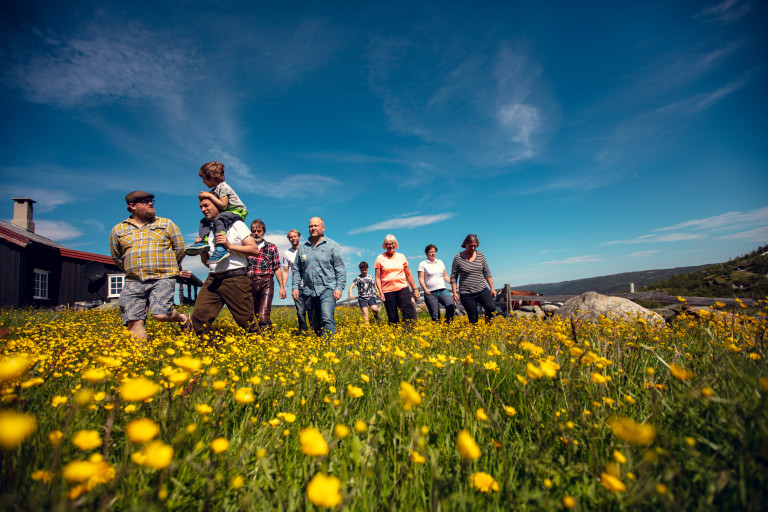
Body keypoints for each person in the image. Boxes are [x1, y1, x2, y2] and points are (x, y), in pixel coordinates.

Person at [109, 191, 190, 339]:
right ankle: (141, 358)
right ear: (132, 206)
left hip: (163, 277)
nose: (150, 203)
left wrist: (171, 267)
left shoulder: (166, 224)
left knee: (160, 314)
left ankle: (183, 318)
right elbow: (117, 256)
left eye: (151, 201)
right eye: (145, 202)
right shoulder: (118, 230)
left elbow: (179, 249)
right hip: (133, 280)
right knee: (133, 321)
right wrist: (131, 270)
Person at [190, 197, 260, 342]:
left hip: (235, 279)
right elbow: (207, 263)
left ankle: (261, 353)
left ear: (218, 204)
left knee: (246, 322)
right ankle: (210, 353)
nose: (203, 209)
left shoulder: (236, 224)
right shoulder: (207, 230)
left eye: (206, 205)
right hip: (213, 278)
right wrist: (202, 249)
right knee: (199, 317)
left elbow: (254, 250)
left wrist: (229, 245)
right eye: (201, 207)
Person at [291, 217, 346, 338]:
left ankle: (329, 348)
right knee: (314, 323)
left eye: (316, 226)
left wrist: (339, 288)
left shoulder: (332, 246)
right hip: (309, 290)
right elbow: (297, 269)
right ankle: (320, 344)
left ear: (323, 228)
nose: (313, 228)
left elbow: (340, 269)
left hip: (327, 288)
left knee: (327, 317)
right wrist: (295, 287)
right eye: (311, 226)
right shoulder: (303, 247)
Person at [185, 161, 248, 264]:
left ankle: (221, 247)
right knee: (204, 221)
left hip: (238, 211)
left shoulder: (223, 187)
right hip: (228, 212)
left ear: (211, 177)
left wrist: (209, 196)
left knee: (219, 218)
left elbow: (223, 205)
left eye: (204, 179)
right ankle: (203, 242)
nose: (203, 182)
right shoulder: (216, 189)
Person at [246, 219, 286, 332]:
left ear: (264, 232)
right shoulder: (246, 247)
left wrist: (282, 287)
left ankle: (267, 339)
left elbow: (277, 268)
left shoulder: (271, 247)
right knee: (255, 313)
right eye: (254, 231)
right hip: (250, 282)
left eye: (259, 231)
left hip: (266, 281)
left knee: (263, 314)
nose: (256, 233)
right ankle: (265, 336)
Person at [451, 234, 497, 324]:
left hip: (482, 289)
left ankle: (488, 328)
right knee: (473, 319)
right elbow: (453, 276)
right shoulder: (458, 257)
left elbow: (487, 272)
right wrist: (454, 293)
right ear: (465, 244)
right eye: (470, 246)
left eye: (475, 246)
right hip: (466, 293)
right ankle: (476, 334)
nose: (472, 248)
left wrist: (492, 288)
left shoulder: (480, 255)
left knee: (491, 307)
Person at [374, 234, 419, 324]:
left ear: (395, 244)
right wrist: (380, 291)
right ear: (385, 245)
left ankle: (409, 332)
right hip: (387, 290)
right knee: (392, 316)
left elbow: (408, 274)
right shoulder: (380, 258)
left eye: (392, 243)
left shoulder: (401, 256)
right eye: (388, 244)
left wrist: (415, 289)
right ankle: (395, 335)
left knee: (407, 310)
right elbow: (378, 278)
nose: (390, 246)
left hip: (402, 287)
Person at [418, 244, 455, 322]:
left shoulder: (440, 262)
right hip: (430, 292)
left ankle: (447, 324)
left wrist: (453, 283)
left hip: (442, 290)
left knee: (451, 304)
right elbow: (421, 279)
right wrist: (425, 289)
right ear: (426, 253)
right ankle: (438, 329)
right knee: (435, 316)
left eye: (434, 252)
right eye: (430, 252)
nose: (433, 254)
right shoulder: (422, 264)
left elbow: (445, 276)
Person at [282, 229, 309, 332]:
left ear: (299, 237)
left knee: (312, 311)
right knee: (300, 312)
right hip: (297, 287)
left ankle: (315, 333)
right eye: (290, 237)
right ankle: (303, 333)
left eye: (294, 236)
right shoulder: (287, 253)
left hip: (310, 286)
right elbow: (285, 271)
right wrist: (283, 287)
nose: (293, 238)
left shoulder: (306, 249)